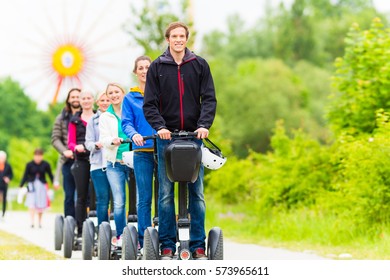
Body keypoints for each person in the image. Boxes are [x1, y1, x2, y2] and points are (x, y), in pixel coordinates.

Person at [144, 22, 217, 260]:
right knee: (165, 193)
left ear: (187, 39)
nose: (178, 39)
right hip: (167, 138)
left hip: (194, 138)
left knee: (197, 193)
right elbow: (150, 104)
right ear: (167, 39)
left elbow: (209, 99)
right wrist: (160, 127)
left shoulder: (199, 65)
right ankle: (166, 244)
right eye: (173, 36)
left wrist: (204, 125)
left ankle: (197, 245)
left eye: (181, 36)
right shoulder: (157, 66)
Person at [122, 55, 155, 249]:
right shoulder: (130, 98)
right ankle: (145, 240)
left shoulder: (161, 93)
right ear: (136, 72)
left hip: (162, 150)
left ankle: (165, 236)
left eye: (147, 67)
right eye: (140, 68)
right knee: (144, 197)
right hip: (142, 151)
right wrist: (134, 134)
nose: (144, 71)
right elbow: (126, 123)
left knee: (164, 196)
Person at [99, 83, 130, 247]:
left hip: (133, 161)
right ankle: (121, 235)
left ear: (122, 92)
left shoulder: (131, 110)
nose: (114, 95)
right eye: (110, 93)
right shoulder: (105, 116)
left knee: (140, 201)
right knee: (118, 202)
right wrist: (112, 140)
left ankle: (141, 236)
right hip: (114, 163)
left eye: (116, 91)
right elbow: (103, 139)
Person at [68, 90, 95, 236]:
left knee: (97, 195)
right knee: (82, 195)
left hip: (97, 158)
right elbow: (71, 141)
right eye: (83, 98)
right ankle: (80, 229)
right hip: (82, 159)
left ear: (93, 100)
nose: (85, 100)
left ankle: (97, 227)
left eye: (88, 98)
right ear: (80, 101)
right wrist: (75, 147)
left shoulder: (99, 117)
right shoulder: (75, 120)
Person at [51, 88, 81, 219]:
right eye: (72, 97)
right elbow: (55, 139)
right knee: (69, 195)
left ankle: (84, 224)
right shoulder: (61, 118)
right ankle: (70, 223)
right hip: (68, 160)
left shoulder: (87, 115)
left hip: (85, 159)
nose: (75, 99)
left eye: (77, 96)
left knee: (85, 195)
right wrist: (65, 151)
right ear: (68, 99)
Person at [85, 91, 111, 226]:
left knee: (118, 200)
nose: (105, 103)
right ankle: (103, 231)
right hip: (97, 164)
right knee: (103, 198)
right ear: (98, 103)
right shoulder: (93, 121)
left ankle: (117, 231)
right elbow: (87, 143)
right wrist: (96, 145)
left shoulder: (117, 118)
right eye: (102, 100)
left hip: (114, 162)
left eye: (108, 100)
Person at [19, 148, 54, 228]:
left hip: (41, 186)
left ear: (42, 156)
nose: (38, 158)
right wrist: (21, 185)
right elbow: (25, 175)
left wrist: (54, 183)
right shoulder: (29, 164)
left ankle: (40, 222)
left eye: (39, 156)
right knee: (31, 203)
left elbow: (50, 175)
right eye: (36, 156)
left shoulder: (45, 164)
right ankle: (32, 222)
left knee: (40, 204)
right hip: (32, 185)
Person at [0, 151, 13, 218]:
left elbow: (11, 175)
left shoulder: (8, 166)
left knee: (4, 199)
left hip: (4, 185)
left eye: (3, 157)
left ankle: (3, 213)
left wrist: (8, 178)